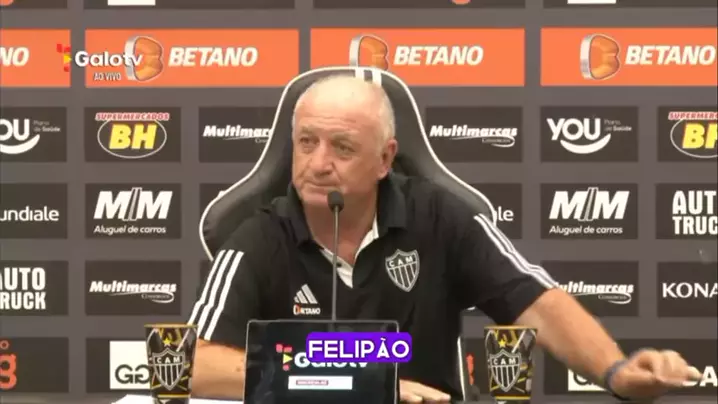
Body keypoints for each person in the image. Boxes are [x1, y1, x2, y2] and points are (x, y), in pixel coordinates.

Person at [188, 74, 702, 402]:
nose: (318, 164)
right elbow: (190, 365)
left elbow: (535, 301)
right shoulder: (257, 237)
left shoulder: (439, 216)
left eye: (342, 147)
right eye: (306, 142)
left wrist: (616, 371)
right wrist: (363, 384)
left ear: (385, 159)